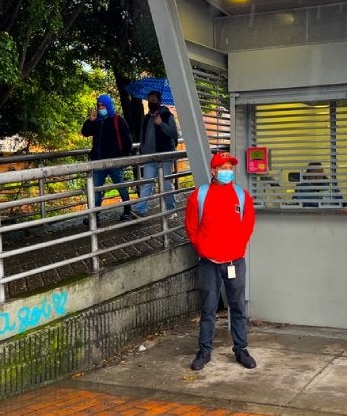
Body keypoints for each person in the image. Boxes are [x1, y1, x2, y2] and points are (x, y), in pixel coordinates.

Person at [185, 151, 258, 371]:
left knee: (237, 306)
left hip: (235, 261)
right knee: (208, 308)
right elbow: (191, 227)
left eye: (230, 168)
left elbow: (248, 224)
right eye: (223, 168)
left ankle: (241, 349)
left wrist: (238, 247)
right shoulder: (199, 196)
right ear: (214, 171)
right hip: (209, 262)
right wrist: (203, 247)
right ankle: (204, 351)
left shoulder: (241, 195)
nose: (227, 172)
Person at [81, 94, 136, 220]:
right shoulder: (97, 122)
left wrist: (124, 158)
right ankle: (94, 215)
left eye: (103, 105)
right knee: (96, 189)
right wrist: (90, 121)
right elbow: (85, 132)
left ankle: (128, 209)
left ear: (108, 105)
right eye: (99, 105)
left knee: (120, 186)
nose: (101, 108)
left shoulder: (117, 120)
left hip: (114, 161)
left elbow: (127, 140)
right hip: (98, 161)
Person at [132, 90, 178, 218]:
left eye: (154, 99)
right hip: (149, 157)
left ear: (159, 100)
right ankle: (140, 209)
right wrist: (142, 149)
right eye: (149, 100)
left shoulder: (167, 115)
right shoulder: (146, 118)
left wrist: (161, 124)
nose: (151, 102)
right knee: (147, 183)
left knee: (167, 184)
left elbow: (174, 134)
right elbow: (142, 136)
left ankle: (170, 209)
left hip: (165, 156)